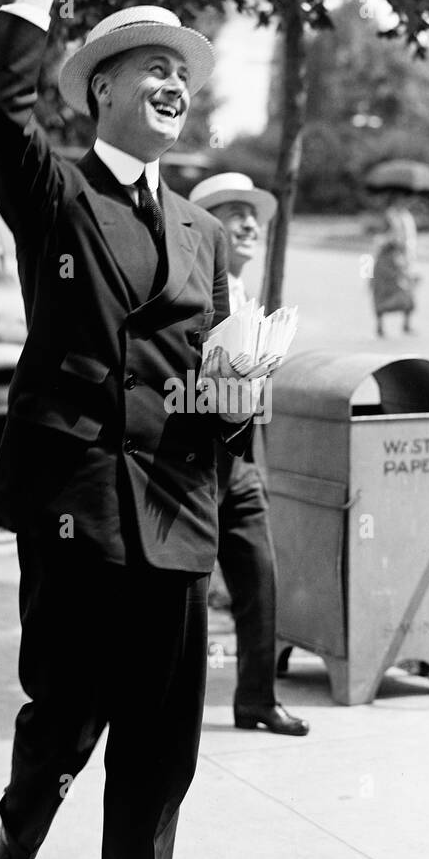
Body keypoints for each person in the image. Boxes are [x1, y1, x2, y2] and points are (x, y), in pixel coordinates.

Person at [0, 0, 266, 859]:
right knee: (64, 719)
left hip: (176, 504)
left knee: (158, 744)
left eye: (183, 75)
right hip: (78, 494)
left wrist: (235, 402)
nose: (173, 87)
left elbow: (215, 372)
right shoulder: (55, 192)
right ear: (99, 90)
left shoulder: (200, 230)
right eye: (150, 69)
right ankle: (19, 820)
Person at [190, 173, 309, 737]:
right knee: (181, 597)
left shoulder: (248, 299)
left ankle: (256, 699)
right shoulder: (190, 292)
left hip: (239, 465)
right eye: (232, 213)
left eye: (252, 216)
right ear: (205, 225)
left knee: (260, 582)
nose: (247, 225)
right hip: (193, 465)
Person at [371, 193, 418, 337]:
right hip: (386, 260)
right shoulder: (388, 215)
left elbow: (409, 240)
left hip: (401, 259)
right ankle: (380, 326)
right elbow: (379, 239)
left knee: (407, 291)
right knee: (382, 292)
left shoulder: (406, 217)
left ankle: (406, 324)